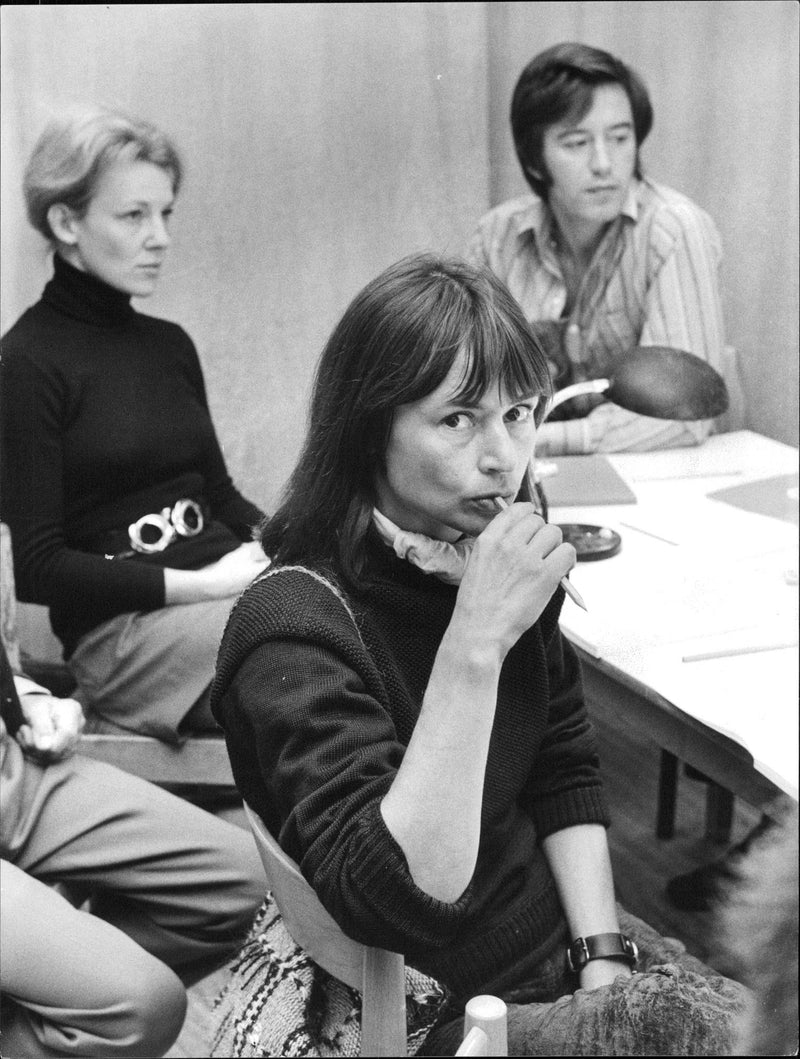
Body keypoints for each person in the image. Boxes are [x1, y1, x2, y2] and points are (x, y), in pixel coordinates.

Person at [209, 254, 745, 1056]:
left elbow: (562, 761)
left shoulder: (480, 538)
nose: (503, 457)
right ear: (368, 427)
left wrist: (599, 959)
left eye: (519, 412)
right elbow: (401, 897)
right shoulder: (293, 623)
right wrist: (476, 637)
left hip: (555, 938)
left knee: (757, 1013)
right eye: (458, 418)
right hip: (429, 1000)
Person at [0, 109, 269, 743]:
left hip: (226, 601)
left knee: (368, 601)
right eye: (133, 216)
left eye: (166, 213)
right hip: (125, 641)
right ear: (67, 223)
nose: (160, 237)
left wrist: (301, 543)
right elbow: (38, 568)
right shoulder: (25, 363)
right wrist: (204, 584)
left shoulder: (168, 345)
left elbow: (221, 497)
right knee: (301, 630)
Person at [0, 639, 265, 1058]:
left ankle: (61, 992)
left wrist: (21, 695)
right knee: (139, 1009)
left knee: (254, 891)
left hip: (11, 768)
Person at [467, 42, 726, 457]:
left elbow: (682, 416)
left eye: (620, 138)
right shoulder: (497, 237)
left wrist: (537, 442)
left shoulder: (675, 229)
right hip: (526, 477)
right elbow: (472, 390)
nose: (604, 163)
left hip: (664, 477)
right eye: (576, 143)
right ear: (535, 161)